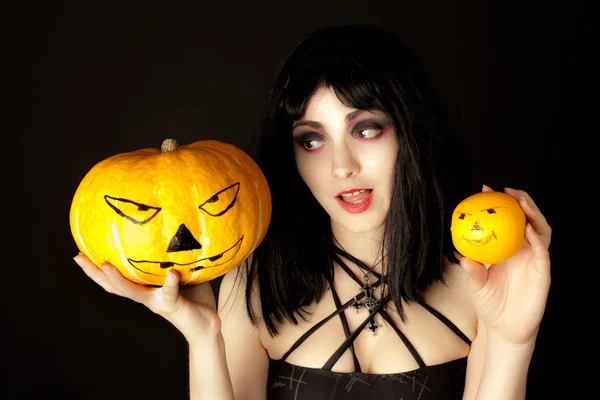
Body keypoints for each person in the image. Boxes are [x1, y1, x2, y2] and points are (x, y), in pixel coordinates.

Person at [73, 24, 551, 400]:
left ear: (412, 131)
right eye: (312, 139)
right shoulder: (254, 275)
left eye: (365, 130)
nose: (341, 167)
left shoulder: (485, 276)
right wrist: (203, 338)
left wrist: (513, 340)